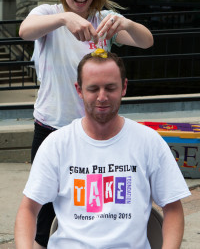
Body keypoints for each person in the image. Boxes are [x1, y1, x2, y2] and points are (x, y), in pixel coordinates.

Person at [19, 0, 153, 247]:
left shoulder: (104, 20)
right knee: (43, 215)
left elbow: (146, 41)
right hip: (52, 129)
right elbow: (25, 31)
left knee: (96, 209)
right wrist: (64, 18)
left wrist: (126, 24)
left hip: (98, 133)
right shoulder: (47, 14)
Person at [15, 50, 191, 249]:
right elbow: (28, 209)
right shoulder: (57, 144)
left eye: (110, 88)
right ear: (79, 90)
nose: (102, 97)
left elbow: (173, 208)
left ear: (124, 87)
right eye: (93, 89)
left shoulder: (149, 141)